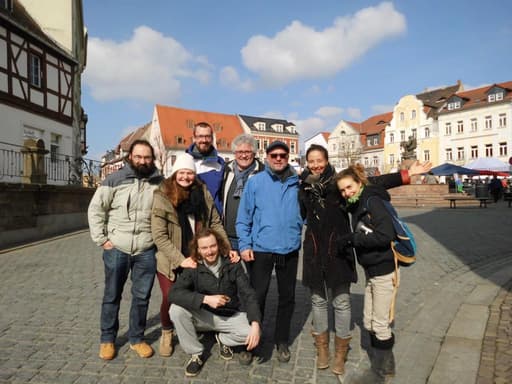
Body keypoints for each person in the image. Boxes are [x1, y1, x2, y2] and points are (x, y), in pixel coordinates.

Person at [299, 144, 431, 375]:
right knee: (318, 302)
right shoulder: (305, 187)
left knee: (341, 302)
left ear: (327, 160)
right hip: (313, 251)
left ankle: (341, 352)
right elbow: (301, 215)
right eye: (312, 161)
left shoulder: (339, 183)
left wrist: (407, 174)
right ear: (307, 163)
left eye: (320, 159)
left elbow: (374, 183)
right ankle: (322, 348)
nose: (316, 164)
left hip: (340, 250)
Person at [151, 153, 236, 357]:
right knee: (169, 297)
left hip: (198, 256)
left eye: (190, 173)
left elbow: (214, 222)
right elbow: (159, 235)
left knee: (202, 294)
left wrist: (227, 248)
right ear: (175, 174)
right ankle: (166, 331)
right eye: (182, 172)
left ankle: (202, 327)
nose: (186, 177)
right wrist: (181, 260)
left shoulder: (202, 192)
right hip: (172, 258)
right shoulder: (162, 195)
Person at [88, 139, 163, 360]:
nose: (142, 160)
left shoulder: (159, 182)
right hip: (117, 248)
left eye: (147, 157)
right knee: (112, 296)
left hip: (146, 249)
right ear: (130, 157)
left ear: (152, 159)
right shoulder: (114, 179)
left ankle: (137, 339)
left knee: (142, 297)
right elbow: (96, 210)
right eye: (138, 156)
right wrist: (101, 239)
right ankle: (107, 339)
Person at [236, 140, 302, 363]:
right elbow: (243, 218)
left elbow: (307, 214)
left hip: (289, 249)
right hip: (261, 249)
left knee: (287, 297)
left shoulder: (298, 183)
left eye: (282, 155)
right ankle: (251, 341)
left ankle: (281, 340)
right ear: (266, 156)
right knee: (257, 297)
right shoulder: (256, 182)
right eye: (274, 155)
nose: (278, 158)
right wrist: (244, 245)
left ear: (288, 156)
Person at [335, 164, 401, 379]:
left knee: (380, 325)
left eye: (349, 187)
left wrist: (354, 240)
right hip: (371, 271)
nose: (347, 193)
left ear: (359, 183)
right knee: (368, 321)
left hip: (383, 270)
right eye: (343, 190)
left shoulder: (371, 201)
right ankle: (382, 362)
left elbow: (385, 235)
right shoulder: (356, 204)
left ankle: (382, 370)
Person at [169, 228, 262, 377]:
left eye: (212, 246)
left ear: (218, 245)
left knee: (254, 332)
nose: (209, 251)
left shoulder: (232, 264)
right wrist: (205, 299)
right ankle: (196, 353)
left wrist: (256, 324)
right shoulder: (194, 267)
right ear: (198, 250)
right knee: (176, 310)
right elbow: (173, 293)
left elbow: (249, 294)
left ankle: (223, 338)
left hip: (228, 315)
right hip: (204, 316)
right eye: (204, 248)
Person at [221, 133, 264, 251]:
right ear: (234, 153)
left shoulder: (263, 173)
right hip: (227, 237)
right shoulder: (225, 170)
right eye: (240, 152)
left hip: (253, 238)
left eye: (247, 152)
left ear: (254, 153)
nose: (244, 155)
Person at [186, 121, 225, 214]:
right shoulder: (185, 162)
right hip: (191, 218)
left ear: (212, 138)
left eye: (207, 136)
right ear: (194, 138)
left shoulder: (220, 164)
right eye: (200, 136)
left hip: (215, 220)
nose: (204, 140)